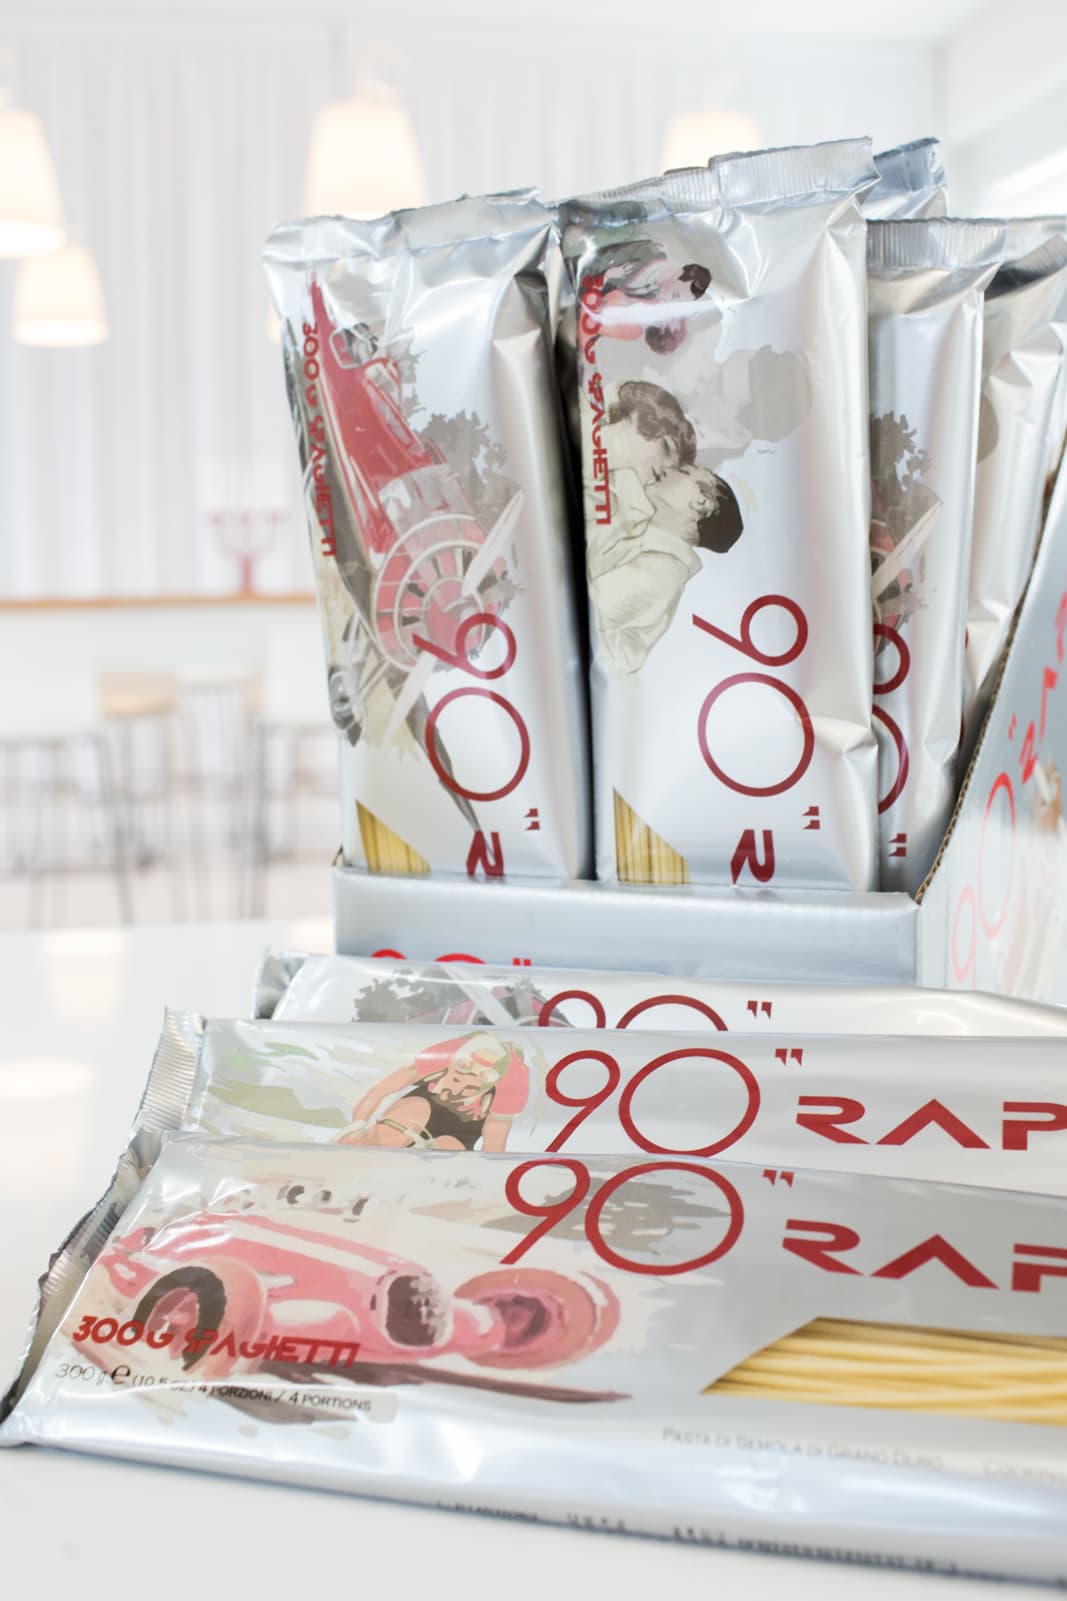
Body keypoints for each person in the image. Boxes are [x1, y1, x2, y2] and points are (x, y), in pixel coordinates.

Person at [338, 1032, 530, 1152]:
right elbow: (379, 1092)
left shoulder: (512, 1084)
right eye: (455, 1079)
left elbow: (493, 1148)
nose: (458, 1089)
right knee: (399, 1126)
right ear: (452, 1064)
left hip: (464, 1127)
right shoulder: (439, 1056)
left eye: (470, 1088)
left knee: (446, 1150)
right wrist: (357, 1125)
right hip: (426, 1103)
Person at [582, 240, 712, 353]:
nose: (669, 301)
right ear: (678, 273)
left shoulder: (650, 301)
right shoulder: (648, 252)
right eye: (675, 295)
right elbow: (596, 259)